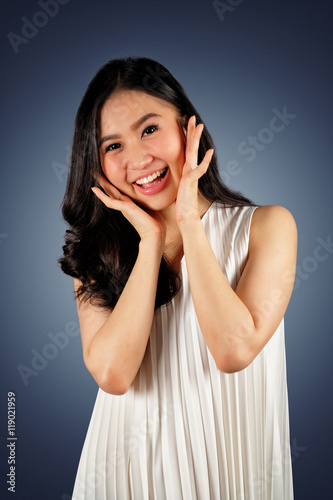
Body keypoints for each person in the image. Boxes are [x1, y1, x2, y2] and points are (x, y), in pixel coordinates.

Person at [59, 56, 297, 500]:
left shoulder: (268, 226)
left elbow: (232, 350)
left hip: (236, 472)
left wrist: (189, 217)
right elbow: (113, 374)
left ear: (190, 127)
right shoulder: (97, 254)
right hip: (124, 479)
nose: (138, 159)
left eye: (149, 129)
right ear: (97, 165)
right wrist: (150, 242)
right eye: (113, 146)